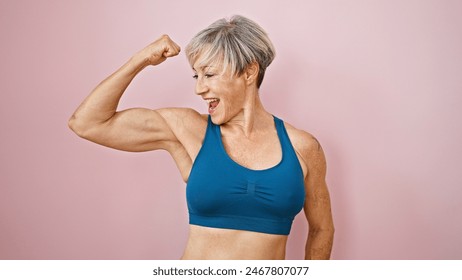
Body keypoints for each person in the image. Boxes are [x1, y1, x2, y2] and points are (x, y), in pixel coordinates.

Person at [69, 15, 334, 260]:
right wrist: (140, 60)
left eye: (209, 74)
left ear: (250, 72)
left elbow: (322, 229)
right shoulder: (187, 128)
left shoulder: (303, 147)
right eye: (197, 75)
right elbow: (87, 123)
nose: (199, 88)